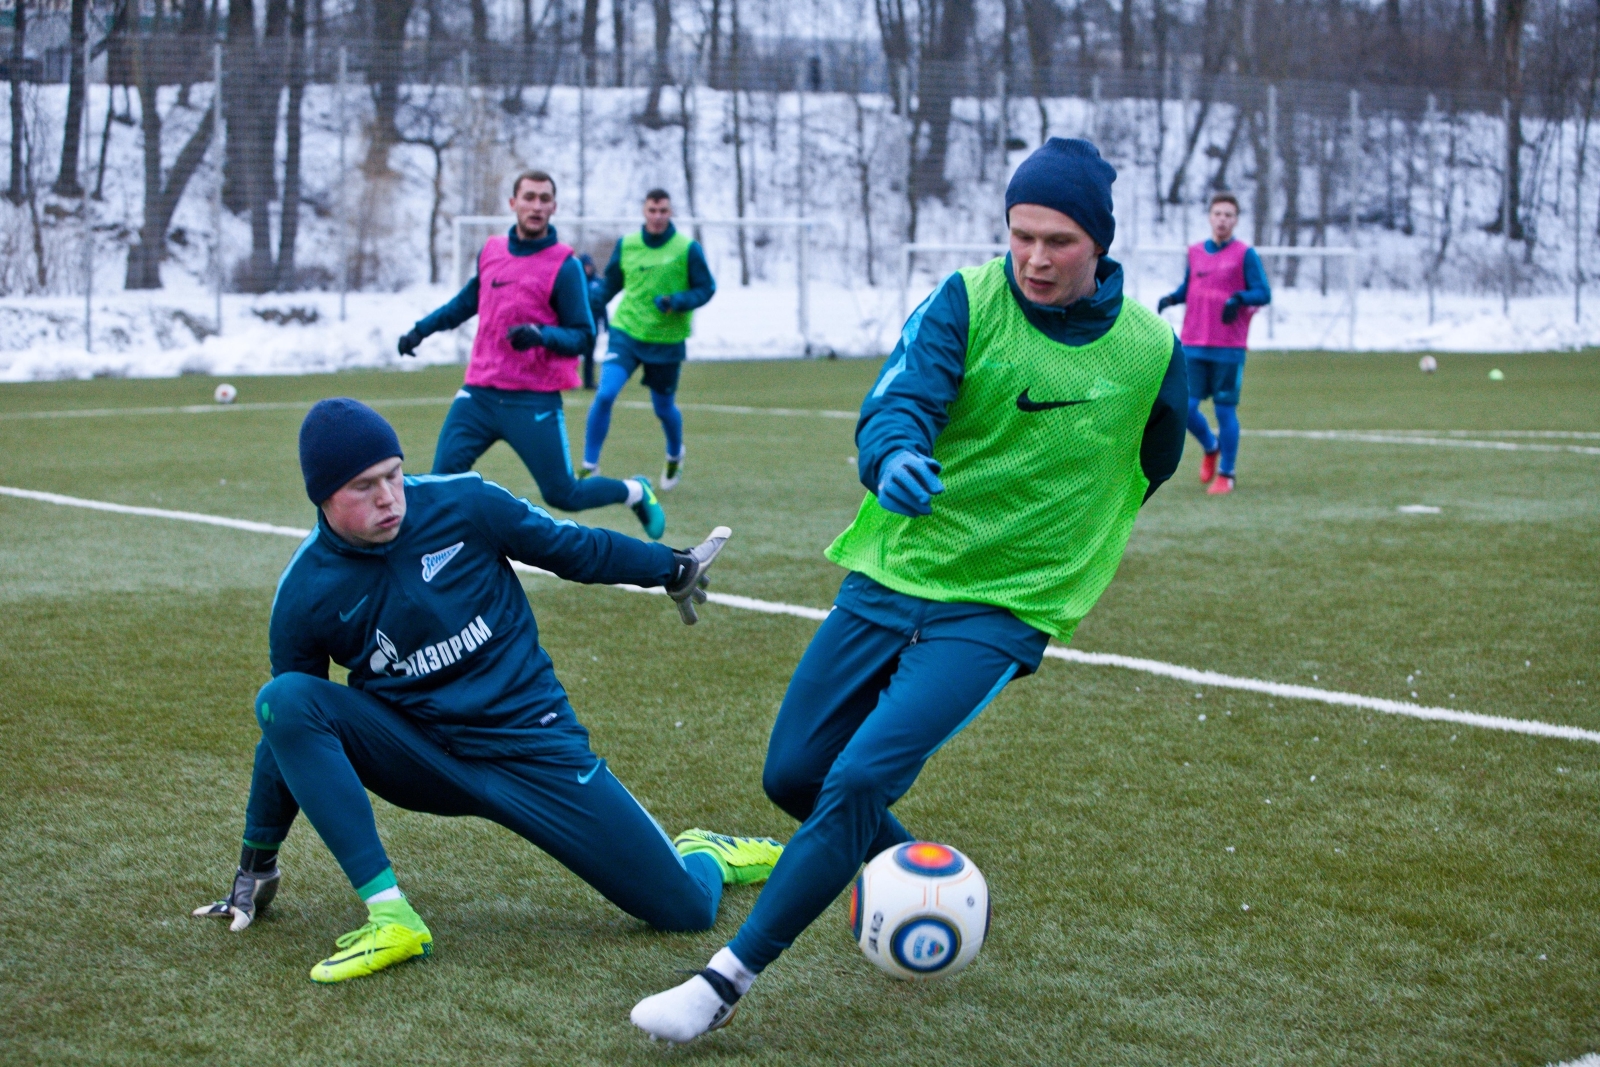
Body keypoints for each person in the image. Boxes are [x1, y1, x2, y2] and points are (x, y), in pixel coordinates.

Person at [629, 138, 1188, 1044]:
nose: (1037, 259)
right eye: (1021, 236)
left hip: (1004, 607)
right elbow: (897, 403)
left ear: (1101, 245)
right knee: (796, 775)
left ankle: (721, 983)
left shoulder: (1152, 353)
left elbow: (1155, 460)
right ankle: (924, 874)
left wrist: (1061, 543)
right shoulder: (965, 302)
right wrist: (892, 456)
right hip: (893, 573)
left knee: (856, 775)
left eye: (1059, 241)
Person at [191, 399, 783, 983]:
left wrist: (669, 566)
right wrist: (255, 864)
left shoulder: (464, 502)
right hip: (424, 759)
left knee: (684, 910)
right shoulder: (304, 593)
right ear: (322, 496)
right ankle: (391, 916)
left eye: (393, 475)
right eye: (363, 486)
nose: (388, 497)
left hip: (534, 748)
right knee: (286, 696)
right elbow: (287, 733)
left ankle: (705, 852)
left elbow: (571, 547)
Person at [395, 170, 668, 539]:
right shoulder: (492, 251)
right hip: (479, 394)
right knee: (439, 483)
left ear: (553, 207)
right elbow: (465, 303)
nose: (536, 206)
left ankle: (636, 491)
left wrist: (542, 335)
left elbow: (584, 336)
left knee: (563, 494)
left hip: (531, 399)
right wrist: (420, 330)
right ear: (513, 203)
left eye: (544, 199)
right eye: (529, 197)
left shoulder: (565, 265)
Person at [581, 189, 716, 491]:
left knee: (663, 408)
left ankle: (674, 453)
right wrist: (589, 302)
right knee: (604, 394)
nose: (657, 216)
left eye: (663, 211)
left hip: (666, 341)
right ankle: (589, 468)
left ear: (670, 213)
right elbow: (611, 285)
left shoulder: (686, 248)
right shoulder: (627, 245)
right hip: (626, 333)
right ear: (644, 211)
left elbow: (706, 288)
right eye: (652, 210)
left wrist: (677, 301)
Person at [1157, 191, 1272, 495]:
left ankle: (1227, 474)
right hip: (1193, 343)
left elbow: (1263, 293)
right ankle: (1210, 446)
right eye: (1218, 213)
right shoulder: (1195, 252)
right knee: (1185, 407)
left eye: (1229, 215)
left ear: (1236, 220)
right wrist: (1171, 298)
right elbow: (1189, 288)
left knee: (1224, 411)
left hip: (1228, 347)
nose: (1222, 219)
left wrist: (1240, 298)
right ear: (1210, 216)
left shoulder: (1245, 255)